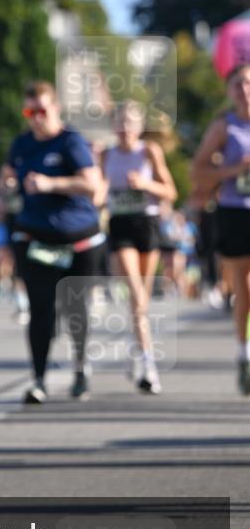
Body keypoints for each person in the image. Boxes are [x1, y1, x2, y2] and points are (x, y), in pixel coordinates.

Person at [0, 81, 104, 403]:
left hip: (79, 241)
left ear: (55, 109)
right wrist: (6, 186)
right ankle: (39, 379)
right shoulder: (22, 144)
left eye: (41, 111)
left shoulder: (70, 142)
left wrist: (50, 183)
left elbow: (92, 185)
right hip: (37, 239)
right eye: (29, 112)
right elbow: (2, 183)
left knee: (75, 309)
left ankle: (80, 369)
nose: (35, 118)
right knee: (41, 310)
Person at [101, 101, 177, 394]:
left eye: (130, 123)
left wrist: (146, 184)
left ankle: (137, 349)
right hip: (119, 225)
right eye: (119, 123)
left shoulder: (149, 152)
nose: (124, 129)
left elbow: (170, 190)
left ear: (140, 126)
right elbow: (98, 189)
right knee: (135, 293)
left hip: (146, 223)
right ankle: (149, 364)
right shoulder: (106, 154)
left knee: (141, 299)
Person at [191, 63, 250, 395]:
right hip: (235, 211)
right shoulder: (224, 127)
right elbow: (197, 173)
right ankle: (244, 352)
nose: (244, 90)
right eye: (237, 85)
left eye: (248, 83)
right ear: (229, 92)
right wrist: (233, 169)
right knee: (244, 288)